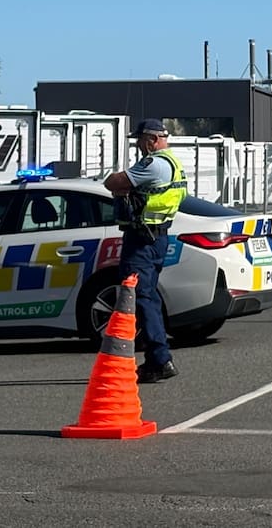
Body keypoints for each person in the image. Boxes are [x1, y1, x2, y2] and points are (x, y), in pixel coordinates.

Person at [103, 118, 188, 383]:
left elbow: (113, 182)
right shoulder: (173, 162)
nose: (138, 145)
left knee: (140, 298)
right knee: (146, 297)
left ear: (151, 139)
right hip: (155, 236)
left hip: (142, 240)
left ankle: (159, 359)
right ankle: (156, 357)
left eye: (140, 140)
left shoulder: (153, 164)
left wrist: (122, 183)